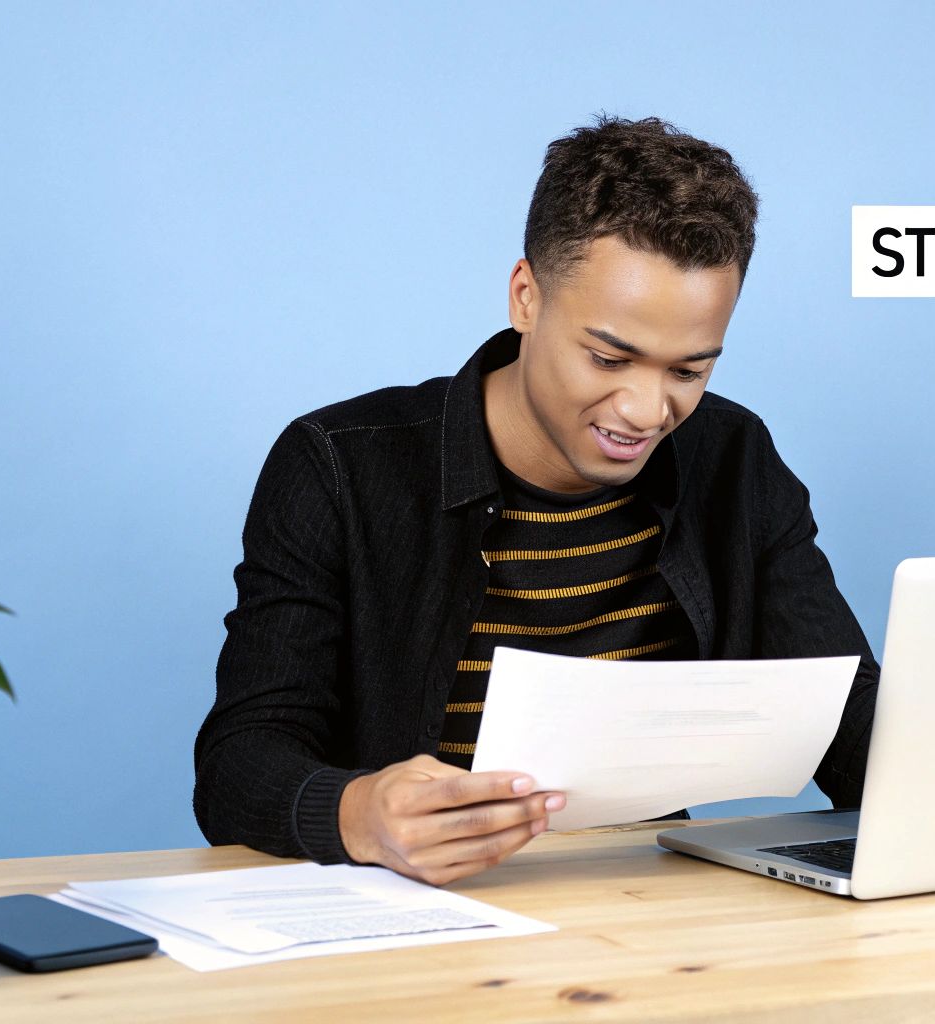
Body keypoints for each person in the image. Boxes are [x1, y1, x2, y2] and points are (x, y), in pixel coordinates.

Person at [194, 115, 881, 886]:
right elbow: (239, 763)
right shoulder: (339, 466)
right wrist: (360, 813)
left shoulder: (734, 457)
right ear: (526, 297)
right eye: (609, 357)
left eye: (688, 371)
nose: (646, 410)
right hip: (420, 911)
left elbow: (849, 717)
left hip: (653, 908)